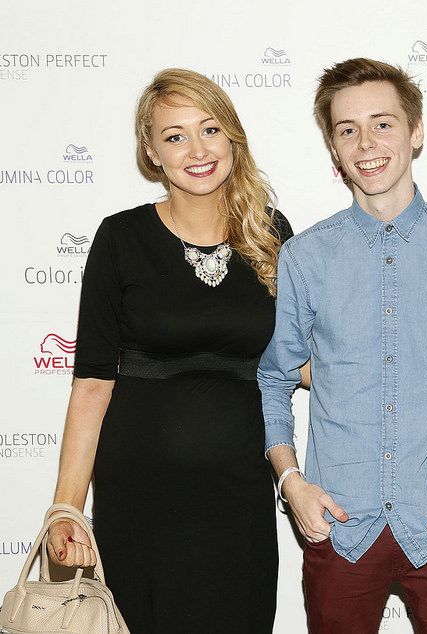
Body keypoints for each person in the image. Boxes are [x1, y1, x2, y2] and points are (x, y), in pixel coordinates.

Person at [258, 57, 427, 634]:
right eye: (346, 129)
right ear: (333, 148)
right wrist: (292, 484)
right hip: (339, 523)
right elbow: (274, 377)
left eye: (383, 123)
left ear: (416, 130)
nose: (366, 143)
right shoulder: (304, 258)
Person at [46, 68, 294, 633]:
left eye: (209, 130)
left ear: (233, 138)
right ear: (152, 152)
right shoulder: (120, 239)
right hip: (139, 491)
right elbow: (91, 383)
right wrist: (66, 507)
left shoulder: (272, 234)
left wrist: (411, 384)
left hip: (238, 489)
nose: (197, 150)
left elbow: (300, 361)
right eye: (175, 135)